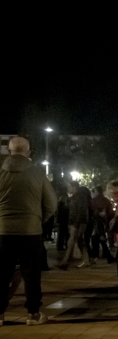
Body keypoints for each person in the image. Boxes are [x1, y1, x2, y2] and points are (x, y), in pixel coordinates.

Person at [0, 136, 57, 326]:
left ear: (9, 151)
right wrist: (39, 219)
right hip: (31, 230)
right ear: (28, 151)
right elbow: (51, 203)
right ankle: (33, 313)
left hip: (3, 231)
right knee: (32, 274)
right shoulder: (38, 173)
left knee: (2, 273)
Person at [57, 180, 90, 269]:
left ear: (74, 187)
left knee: (72, 240)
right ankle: (85, 260)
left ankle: (66, 260)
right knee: (78, 241)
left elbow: (80, 211)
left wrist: (75, 223)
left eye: (69, 186)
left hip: (77, 222)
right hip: (76, 222)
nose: (68, 188)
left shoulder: (79, 197)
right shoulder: (76, 197)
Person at [90, 185, 115, 264]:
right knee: (100, 238)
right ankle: (107, 256)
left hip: (96, 222)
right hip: (103, 222)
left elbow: (92, 212)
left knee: (98, 238)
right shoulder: (106, 201)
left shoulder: (93, 201)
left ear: (96, 191)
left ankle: (96, 256)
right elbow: (110, 212)